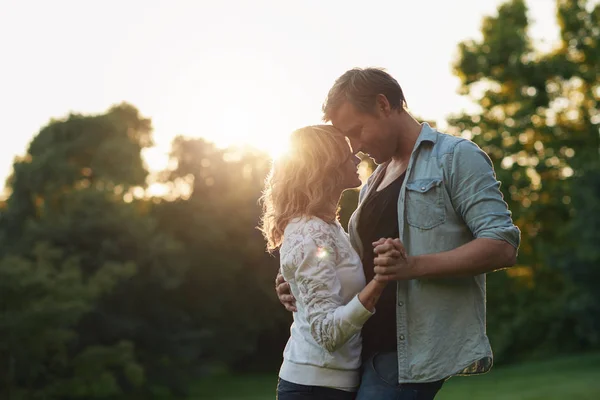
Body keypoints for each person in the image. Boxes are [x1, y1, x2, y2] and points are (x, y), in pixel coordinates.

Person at [275, 67, 521, 400]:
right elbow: (355, 264)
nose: (357, 148)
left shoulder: (455, 157)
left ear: (383, 105)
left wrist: (413, 267)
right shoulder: (374, 181)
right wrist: (301, 282)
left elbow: (502, 245)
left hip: (410, 352)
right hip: (360, 351)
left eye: (358, 131)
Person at [260, 125, 401, 399]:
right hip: (313, 387)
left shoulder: (330, 227)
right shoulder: (308, 232)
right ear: (325, 166)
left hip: (334, 384)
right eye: (347, 155)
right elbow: (327, 334)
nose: (358, 159)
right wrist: (381, 280)